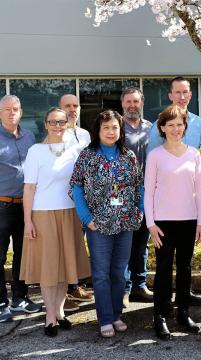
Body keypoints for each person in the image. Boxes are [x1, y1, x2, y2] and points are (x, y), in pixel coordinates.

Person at [69, 110, 144, 338]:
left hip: (125, 223)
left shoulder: (128, 156)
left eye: (115, 127)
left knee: (120, 272)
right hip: (98, 225)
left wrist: (140, 210)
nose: (111, 132)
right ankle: (104, 318)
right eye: (106, 128)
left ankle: (116, 315)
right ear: (98, 131)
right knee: (101, 273)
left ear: (120, 131)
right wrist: (86, 218)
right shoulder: (87, 156)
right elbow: (76, 188)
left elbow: (138, 186)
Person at [20, 108, 91, 337]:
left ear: (67, 124)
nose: (57, 126)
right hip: (43, 214)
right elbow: (29, 188)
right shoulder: (36, 151)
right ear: (46, 124)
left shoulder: (74, 151)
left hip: (69, 213)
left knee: (64, 268)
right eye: (53, 122)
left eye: (61, 122)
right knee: (50, 268)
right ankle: (49, 317)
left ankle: (60, 312)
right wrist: (27, 220)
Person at [0, 95, 42, 323]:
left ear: (21, 112)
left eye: (16, 109)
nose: (12, 113)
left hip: (26, 208)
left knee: (23, 254)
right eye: (7, 109)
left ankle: (20, 299)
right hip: (0, 207)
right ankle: (0, 303)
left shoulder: (30, 137)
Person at [145, 104, 201, 339]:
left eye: (180, 125)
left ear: (184, 127)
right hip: (163, 223)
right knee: (162, 270)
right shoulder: (155, 155)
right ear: (162, 128)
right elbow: (148, 191)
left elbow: (199, 191)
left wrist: (200, 222)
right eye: (171, 125)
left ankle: (183, 313)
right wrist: (150, 224)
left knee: (185, 268)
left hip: (189, 221)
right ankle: (160, 316)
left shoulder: (194, 154)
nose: (176, 129)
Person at [59, 94, 93, 311]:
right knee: (65, 246)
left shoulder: (85, 134)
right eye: (67, 106)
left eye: (75, 106)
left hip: (85, 199)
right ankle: (63, 292)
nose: (72, 109)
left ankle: (75, 286)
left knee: (79, 244)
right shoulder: (56, 135)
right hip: (62, 200)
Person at [121, 87, 154, 306]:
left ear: (142, 103)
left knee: (142, 240)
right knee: (124, 240)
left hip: (148, 191)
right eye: (128, 102)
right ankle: (124, 288)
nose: (132, 105)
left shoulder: (151, 128)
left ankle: (139, 285)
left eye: (136, 101)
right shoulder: (116, 127)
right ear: (122, 103)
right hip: (123, 192)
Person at [147, 76, 201, 152]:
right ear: (170, 96)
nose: (182, 97)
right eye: (178, 92)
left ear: (190, 95)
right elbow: (152, 155)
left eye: (185, 92)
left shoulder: (198, 123)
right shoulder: (161, 123)